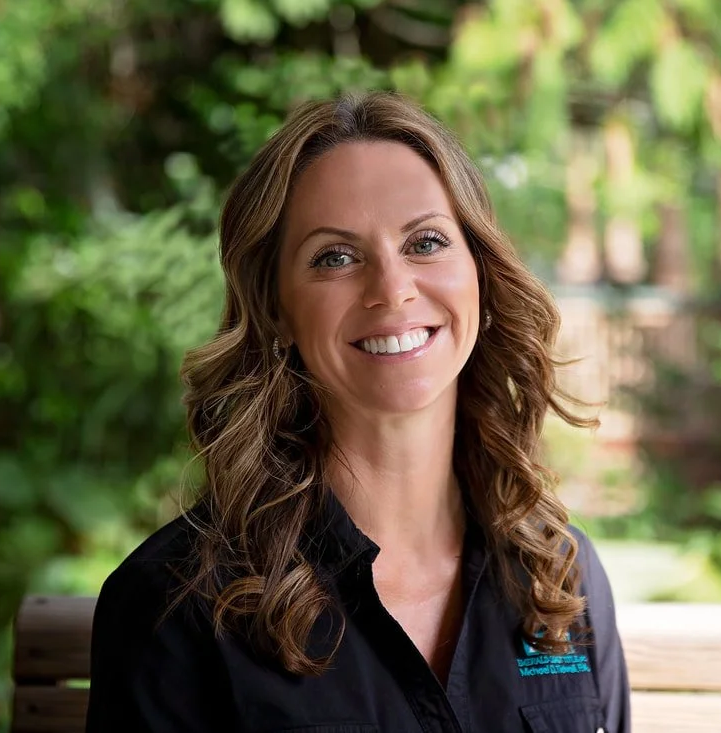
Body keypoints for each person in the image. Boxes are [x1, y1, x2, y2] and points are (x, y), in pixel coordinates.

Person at [85, 91, 631, 733]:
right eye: (335, 257)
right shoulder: (174, 603)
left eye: (426, 242)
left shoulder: (560, 576)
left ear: (481, 277)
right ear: (275, 308)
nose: (392, 289)